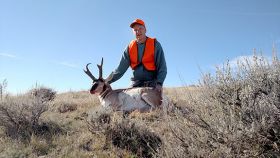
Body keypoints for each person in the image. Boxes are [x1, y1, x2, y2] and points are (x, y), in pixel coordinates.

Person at [108, 19, 167, 94]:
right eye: (135, 30)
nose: (138, 32)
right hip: (136, 83)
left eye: (140, 28)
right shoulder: (129, 47)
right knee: (124, 99)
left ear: (145, 30)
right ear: (133, 32)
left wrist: (159, 83)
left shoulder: (155, 44)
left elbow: (162, 66)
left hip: (152, 82)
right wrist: (107, 81)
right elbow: (120, 69)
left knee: (152, 103)